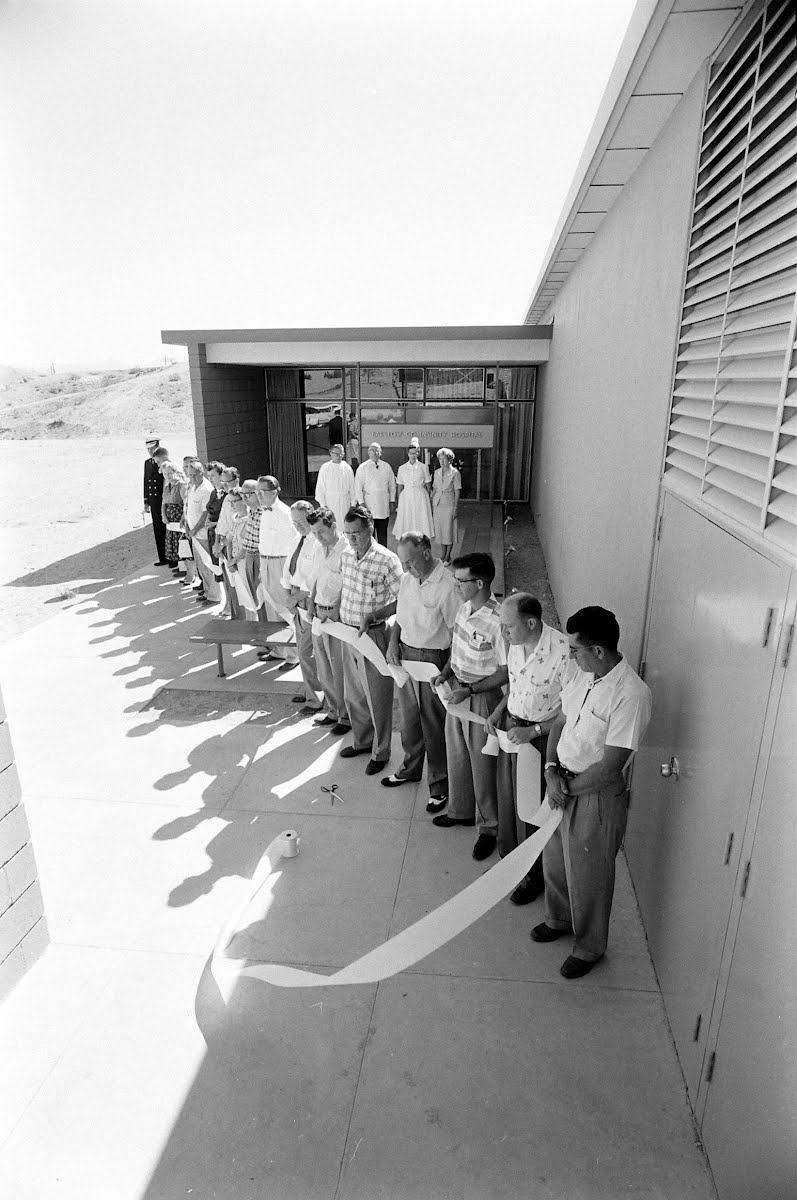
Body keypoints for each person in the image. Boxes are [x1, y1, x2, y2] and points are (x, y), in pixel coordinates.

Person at [532, 606, 652, 979]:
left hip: (595, 795)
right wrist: (551, 771)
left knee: (589, 874)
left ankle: (589, 946)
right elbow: (560, 723)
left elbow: (611, 766)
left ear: (598, 650)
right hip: (562, 783)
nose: (571, 657)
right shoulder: (584, 677)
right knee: (555, 859)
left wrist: (565, 788)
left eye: (575, 650)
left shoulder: (631, 694)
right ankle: (559, 919)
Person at [486, 593, 571, 904]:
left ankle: (534, 877)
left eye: (508, 626)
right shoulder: (516, 644)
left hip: (539, 739)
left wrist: (533, 731)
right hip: (513, 730)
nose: (503, 633)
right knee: (510, 800)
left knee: (533, 811)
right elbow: (515, 685)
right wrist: (498, 712)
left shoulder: (563, 654)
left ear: (531, 623)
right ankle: (512, 862)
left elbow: (568, 713)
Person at [431, 552, 506, 860]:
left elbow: (505, 672)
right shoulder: (463, 608)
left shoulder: (498, 621)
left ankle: (490, 828)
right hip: (457, 693)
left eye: (460, 580)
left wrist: (470, 690)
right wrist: (445, 674)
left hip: (480, 698)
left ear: (480, 583)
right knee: (457, 754)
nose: (455, 585)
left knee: (482, 764)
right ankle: (460, 810)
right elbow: (457, 650)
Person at [384, 532, 461, 810]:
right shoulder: (408, 579)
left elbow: (457, 633)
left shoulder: (448, 585)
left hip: (432, 661)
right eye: (403, 562)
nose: (405, 568)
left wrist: (447, 671)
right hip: (406, 657)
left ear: (426, 553)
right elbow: (400, 617)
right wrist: (393, 643)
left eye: (410, 561)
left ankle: (440, 784)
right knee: (409, 721)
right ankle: (410, 768)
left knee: (434, 726)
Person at [338, 503, 403, 773]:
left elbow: (403, 599)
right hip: (347, 632)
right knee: (354, 694)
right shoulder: (345, 555)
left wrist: (375, 615)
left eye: (356, 533)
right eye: (347, 533)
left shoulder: (387, 559)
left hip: (373, 634)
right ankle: (362, 741)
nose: (352, 539)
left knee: (377, 697)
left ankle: (381, 751)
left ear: (370, 529)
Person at [306, 506, 350, 734]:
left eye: (321, 532)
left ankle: (346, 716)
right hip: (318, 613)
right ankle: (333, 710)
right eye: (314, 533)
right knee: (324, 668)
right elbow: (316, 577)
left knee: (339, 669)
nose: (318, 537)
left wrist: (336, 609)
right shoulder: (318, 546)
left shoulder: (347, 550)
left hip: (336, 616)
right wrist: (311, 603)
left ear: (333, 526)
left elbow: (348, 584)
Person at [282, 500, 324, 711]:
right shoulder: (296, 540)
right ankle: (310, 690)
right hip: (295, 599)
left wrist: (295, 597)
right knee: (303, 650)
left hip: (307, 600)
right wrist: (288, 596)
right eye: (294, 522)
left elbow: (314, 578)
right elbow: (287, 571)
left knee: (309, 652)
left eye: (301, 521)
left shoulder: (317, 543)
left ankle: (316, 699)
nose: (297, 525)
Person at [256, 475, 297, 662]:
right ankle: (279, 650)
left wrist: (288, 573)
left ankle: (293, 655)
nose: (258, 495)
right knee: (272, 608)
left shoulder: (285, 513)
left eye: (262, 491)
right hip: (265, 562)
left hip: (281, 563)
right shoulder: (264, 511)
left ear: (274, 492)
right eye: (257, 491)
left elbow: (294, 543)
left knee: (285, 609)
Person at [183, 460, 222, 606]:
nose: (192, 478)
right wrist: (188, 527)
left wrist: (194, 529)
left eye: (194, 475)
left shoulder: (206, 489)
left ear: (201, 473)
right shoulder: (193, 487)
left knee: (208, 565)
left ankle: (214, 596)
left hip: (202, 534)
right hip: (194, 533)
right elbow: (189, 509)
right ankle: (207, 591)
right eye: (190, 475)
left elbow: (205, 514)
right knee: (200, 565)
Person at [354, 443, 396, 545]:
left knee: (382, 535)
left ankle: (383, 552)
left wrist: (392, 501)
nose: (375, 452)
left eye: (377, 450)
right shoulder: (363, 467)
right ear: (368, 452)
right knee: (369, 535)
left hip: (383, 505)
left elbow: (392, 485)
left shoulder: (386, 466)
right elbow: (358, 487)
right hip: (369, 505)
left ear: (380, 452)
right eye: (372, 450)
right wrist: (361, 503)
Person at [393, 441, 434, 540]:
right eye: (411, 453)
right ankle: (407, 539)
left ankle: (421, 538)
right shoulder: (402, 468)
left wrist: (427, 499)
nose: (413, 455)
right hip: (406, 497)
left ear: (418, 453)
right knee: (407, 517)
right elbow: (400, 487)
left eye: (415, 453)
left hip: (420, 497)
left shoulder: (423, 467)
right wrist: (399, 503)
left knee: (420, 517)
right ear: (408, 453)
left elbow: (428, 486)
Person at [315, 444, 355, 530]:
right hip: (330, 502)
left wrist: (353, 504)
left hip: (344, 503)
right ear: (331, 453)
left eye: (341, 454)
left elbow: (352, 488)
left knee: (344, 526)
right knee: (331, 526)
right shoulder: (325, 467)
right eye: (336, 454)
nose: (338, 456)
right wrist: (323, 505)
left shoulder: (347, 468)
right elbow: (320, 487)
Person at [431, 448, 461, 563]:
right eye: (440, 459)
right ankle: (442, 554)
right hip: (437, 504)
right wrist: (430, 500)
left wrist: (455, 508)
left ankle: (448, 555)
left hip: (449, 504)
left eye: (444, 459)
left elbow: (457, 492)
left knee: (448, 530)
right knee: (440, 530)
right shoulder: (437, 472)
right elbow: (434, 488)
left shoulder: (455, 473)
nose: (442, 461)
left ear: (450, 460)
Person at [159, 459, 188, 571]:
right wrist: (164, 515)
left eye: (169, 473)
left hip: (179, 518)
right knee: (173, 544)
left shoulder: (182, 485)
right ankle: (180, 567)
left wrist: (183, 518)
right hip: (170, 521)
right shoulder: (167, 486)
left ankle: (186, 569)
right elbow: (164, 503)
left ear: (175, 472)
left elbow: (186, 503)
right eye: (165, 474)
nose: (167, 476)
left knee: (182, 544)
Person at [143, 435, 167, 566]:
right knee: (157, 528)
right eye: (148, 449)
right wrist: (146, 501)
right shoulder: (147, 463)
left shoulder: (163, 462)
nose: (150, 451)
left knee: (166, 528)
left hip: (163, 498)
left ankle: (171, 558)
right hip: (154, 500)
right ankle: (162, 557)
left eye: (152, 449)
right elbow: (146, 482)